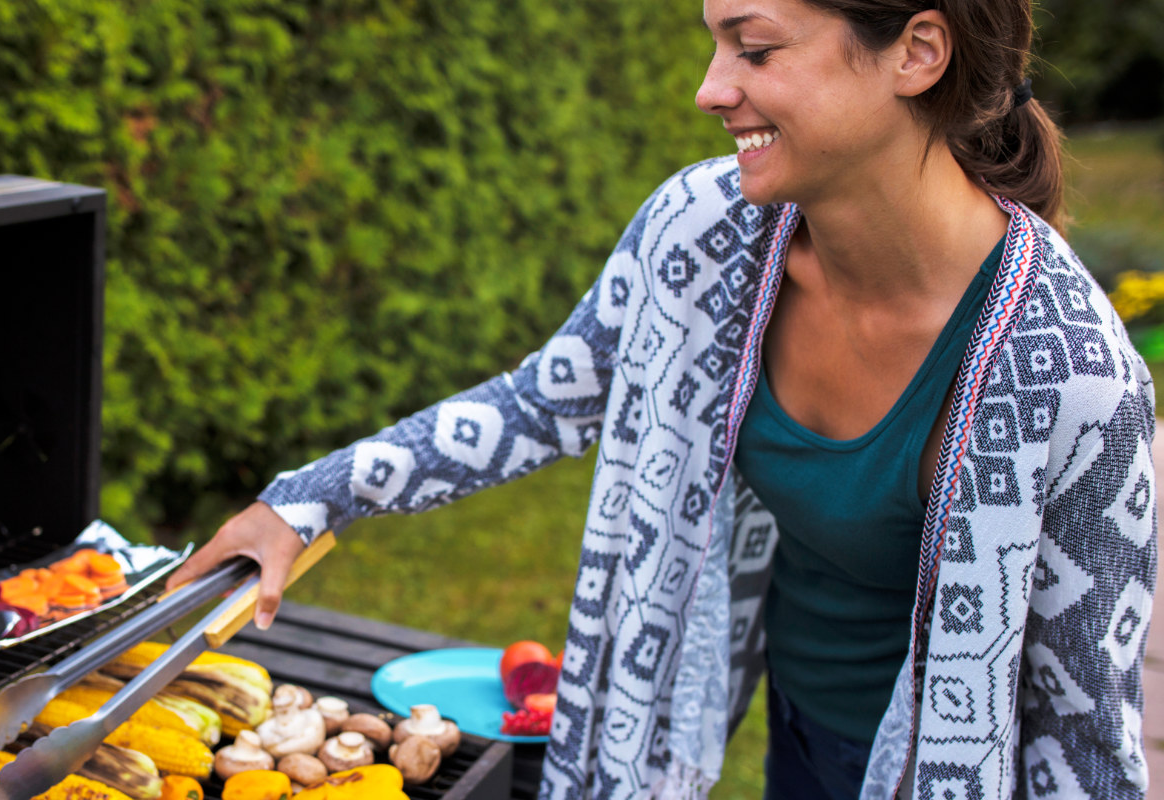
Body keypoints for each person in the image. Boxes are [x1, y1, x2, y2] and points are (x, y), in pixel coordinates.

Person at [165, 0, 1156, 796]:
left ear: (916, 51)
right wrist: (310, 497)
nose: (709, 89)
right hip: (802, 739)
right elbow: (537, 403)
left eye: (753, 47)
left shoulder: (1073, 376)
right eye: (711, 42)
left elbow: (1087, 733)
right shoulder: (701, 231)